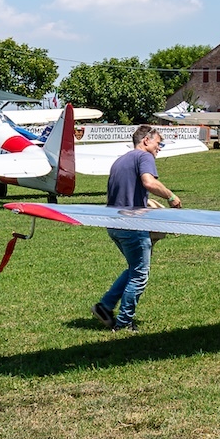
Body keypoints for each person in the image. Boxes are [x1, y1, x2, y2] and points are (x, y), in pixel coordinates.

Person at [91, 125, 182, 331]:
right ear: (146, 140)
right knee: (140, 274)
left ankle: (104, 307)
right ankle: (124, 323)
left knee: (134, 268)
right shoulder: (144, 157)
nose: (159, 148)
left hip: (113, 224)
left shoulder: (120, 160)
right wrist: (171, 196)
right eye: (159, 143)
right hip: (131, 225)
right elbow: (148, 182)